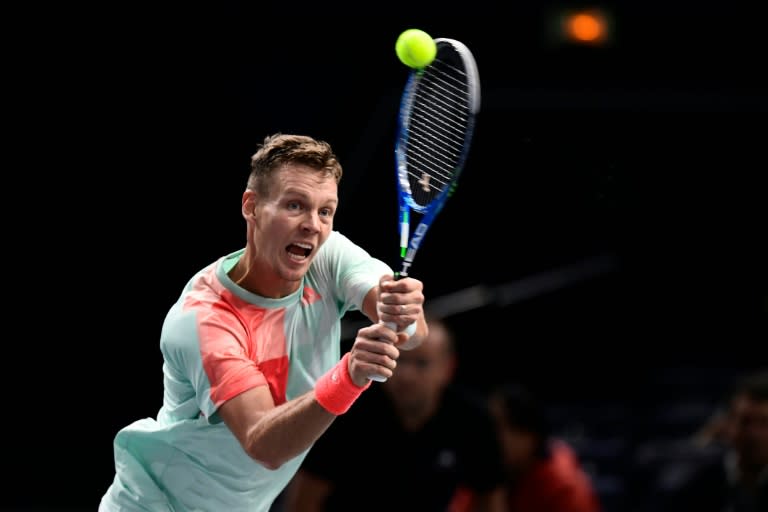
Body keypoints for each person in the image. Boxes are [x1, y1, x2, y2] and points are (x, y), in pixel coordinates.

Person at [99, 133, 429, 512]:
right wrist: (350, 375)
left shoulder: (327, 257)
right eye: (294, 205)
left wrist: (404, 312)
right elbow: (262, 443)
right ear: (252, 206)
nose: (313, 225)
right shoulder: (205, 319)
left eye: (325, 211)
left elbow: (413, 334)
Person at [280, 316, 507, 512]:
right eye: (400, 360)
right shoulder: (348, 412)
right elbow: (305, 499)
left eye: (421, 364)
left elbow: (491, 495)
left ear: (448, 368)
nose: (406, 375)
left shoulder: (472, 419)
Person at [478, 382, 602, 512]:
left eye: (496, 427)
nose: (486, 436)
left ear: (528, 436)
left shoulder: (567, 489)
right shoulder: (489, 472)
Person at [662, 369, 768, 512]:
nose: (754, 434)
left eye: (765, 423)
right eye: (745, 422)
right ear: (725, 424)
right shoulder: (691, 483)